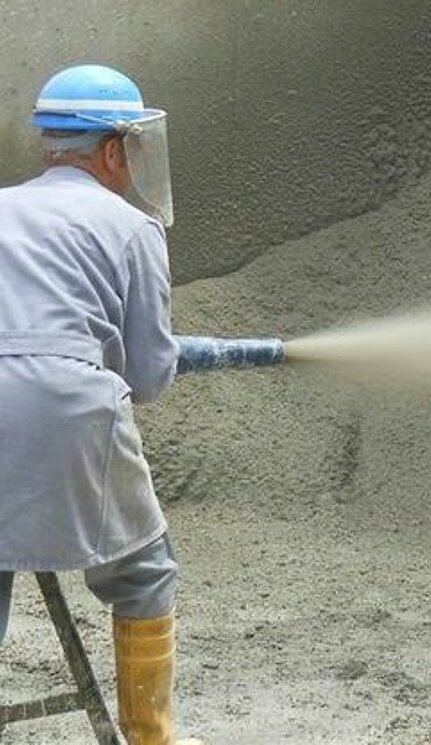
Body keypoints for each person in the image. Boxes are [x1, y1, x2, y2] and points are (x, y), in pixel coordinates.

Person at [0, 64, 199, 745]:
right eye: (133, 149)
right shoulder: (133, 228)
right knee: (144, 570)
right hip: (67, 405)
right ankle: (150, 736)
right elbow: (147, 377)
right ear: (112, 152)